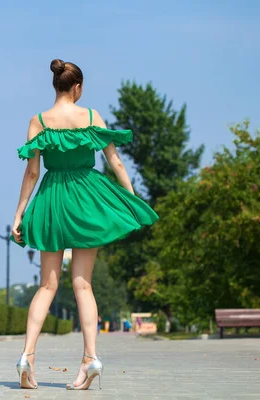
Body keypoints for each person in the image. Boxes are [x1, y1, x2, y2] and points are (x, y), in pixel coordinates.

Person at [11, 59, 159, 391]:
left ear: (55, 86)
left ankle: (26, 357)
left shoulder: (39, 122)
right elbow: (115, 161)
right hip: (86, 199)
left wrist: (19, 213)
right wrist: (131, 200)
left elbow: (32, 173)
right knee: (83, 285)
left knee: (47, 287)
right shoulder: (91, 118)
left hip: (52, 201)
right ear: (77, 87)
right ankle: (90, 359)